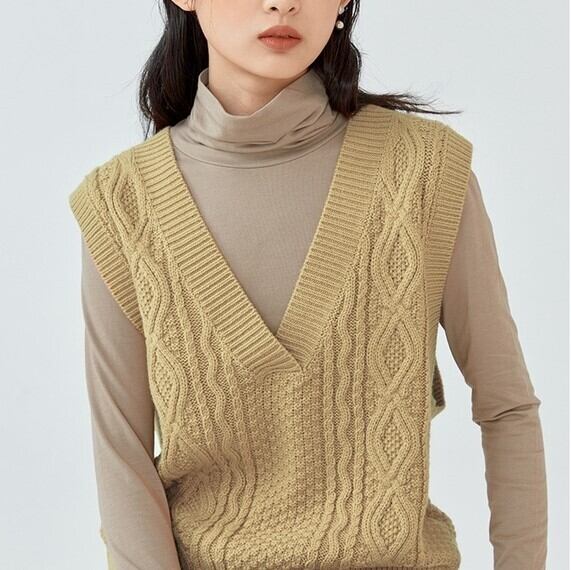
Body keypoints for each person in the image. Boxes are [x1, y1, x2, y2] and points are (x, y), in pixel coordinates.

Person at [69, 1, 548, 569]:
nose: (282, 3)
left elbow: (506, 406)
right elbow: (122, 459)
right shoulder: (122, 204)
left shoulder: (423, 171)